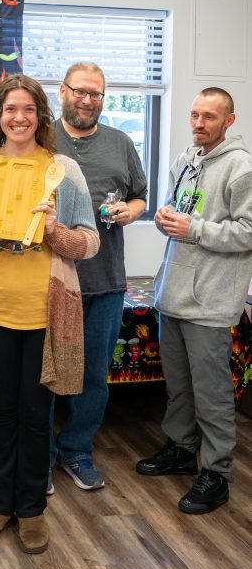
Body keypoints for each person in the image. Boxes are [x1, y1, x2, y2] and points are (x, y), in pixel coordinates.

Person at [0, 74, 99, 554]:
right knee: (4, 412)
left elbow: (89, 242)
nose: (19, 117)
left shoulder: (63, 171)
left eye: (28, 109)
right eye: (10, 109)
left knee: (37, 414)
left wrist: (56, 231)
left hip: (46, 312)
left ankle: (31, 509)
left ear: (41, 116)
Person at [136, 88, 252, 514]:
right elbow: (178, 211)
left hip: (211, 302)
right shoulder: (187, 159)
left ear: (230, 120)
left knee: (212, 394)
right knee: (179, 387)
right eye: (194, 114)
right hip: (175, 296)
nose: (199, 123)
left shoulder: (241, 168)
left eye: (209, 116)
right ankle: (183, 449)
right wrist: (168, 220)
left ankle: (217, 472)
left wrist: (196, 229)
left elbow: (248, 231)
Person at [50, 63, 146, 492]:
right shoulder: (39, 138)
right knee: (47, 373)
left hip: (106, 281)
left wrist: (132, 210)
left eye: (96, 94)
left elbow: (140, 195)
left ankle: (76, 451)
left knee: (93, 377)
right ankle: (41, 456)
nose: (87, 100)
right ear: (62, 92)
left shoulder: (121, 142)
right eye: (80, 91)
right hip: (50, 281)